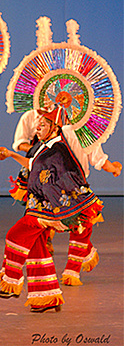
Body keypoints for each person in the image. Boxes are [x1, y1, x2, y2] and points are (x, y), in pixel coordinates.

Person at [0, 107, 103, 312]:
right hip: (36, 207)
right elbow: (31, 163)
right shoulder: (42, 147)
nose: (37, 127)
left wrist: (59, 213)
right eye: (38, 124)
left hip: (45, 212)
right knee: (37, 249)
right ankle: (46, 297)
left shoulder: (59, 151)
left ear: (54, 128)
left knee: (14, 236)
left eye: (42, 125)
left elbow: (66, 178)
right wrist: (11, 155)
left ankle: (12, 281)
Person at [12, 109, 122, 285]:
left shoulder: (51, 137)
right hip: (74, 188)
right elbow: (100, 161)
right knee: (81, 225)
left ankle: (44, 266)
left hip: (51, 189)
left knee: (48, 221)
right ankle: (72, 271)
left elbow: (32, 158)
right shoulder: (82, 132)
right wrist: (115, 169)